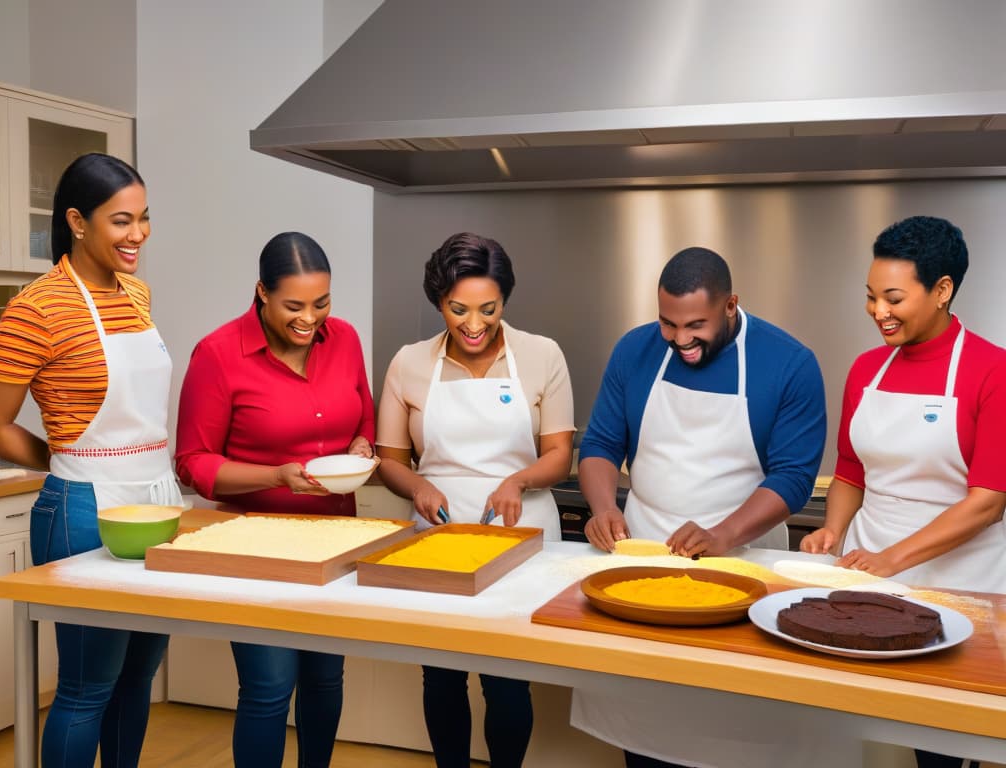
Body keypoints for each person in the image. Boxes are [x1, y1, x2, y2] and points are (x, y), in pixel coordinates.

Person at [571, 246, 827, 768]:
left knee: (733, 720)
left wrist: (725, 535)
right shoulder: (634, 351)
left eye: (696, 325)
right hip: (641, 563)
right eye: (668, 323)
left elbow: (795, 477)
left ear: (731, 304)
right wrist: (602, 507)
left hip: (743, 564)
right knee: (646, 719)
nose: (680, 339)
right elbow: (599, 444)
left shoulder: (790, 363)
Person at [0, 153, 182, 768]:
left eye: (145, 219)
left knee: (135, 677)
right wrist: (67, 457)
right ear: (77, 221)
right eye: (122, 221)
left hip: (158, 499)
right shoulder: (36, 309)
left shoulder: (138, 294)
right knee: (87, 685)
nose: (138, 235)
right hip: (83, 508)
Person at [802, 215, 1006, 768]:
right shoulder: (867, 369)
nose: (878, 312)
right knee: (852, 724)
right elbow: (849, 468)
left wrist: (891, 559)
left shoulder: (992, 371)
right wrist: (833, 530)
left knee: (938, 742)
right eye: (870, 297)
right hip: (867, 575)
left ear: (942, 291)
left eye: (893, 298)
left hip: (959, 582)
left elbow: (988, 501)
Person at [174, 231, 374, 767]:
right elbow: (193, 462)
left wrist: (362, 444)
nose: (311, 319)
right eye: (294, 306)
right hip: (256, 551)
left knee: (324, 678)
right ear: (261, 292)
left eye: (322, 302)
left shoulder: (347, 339)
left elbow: (365, 415)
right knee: (269, 684)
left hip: (336, 541)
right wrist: (276, 475)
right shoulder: (218, 354)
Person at [375, 232, 575, 768]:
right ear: (438, 301)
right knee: (441, 675)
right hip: (436, 537)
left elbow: (560, 454)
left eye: (488, 309)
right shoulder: (410, 363)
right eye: (457, 309)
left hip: (521, 537)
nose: (473, 323)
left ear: (504, 301)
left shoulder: (541, 354)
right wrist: (417, 485)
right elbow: (389, 458)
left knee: (508, 681)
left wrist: (519, 481)